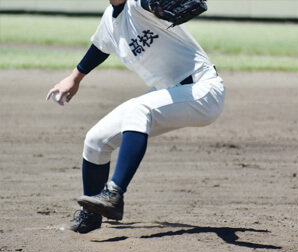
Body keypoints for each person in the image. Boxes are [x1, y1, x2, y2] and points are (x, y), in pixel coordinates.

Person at [47, 0, 225, 233]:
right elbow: (100, 48)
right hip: (170, 93)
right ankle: (91, 215)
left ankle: (114, 193)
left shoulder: (139, 5)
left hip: (203, 90)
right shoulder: (110, 19)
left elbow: (152, 5)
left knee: (138, 109)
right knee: (96, 140)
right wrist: (74, 77)